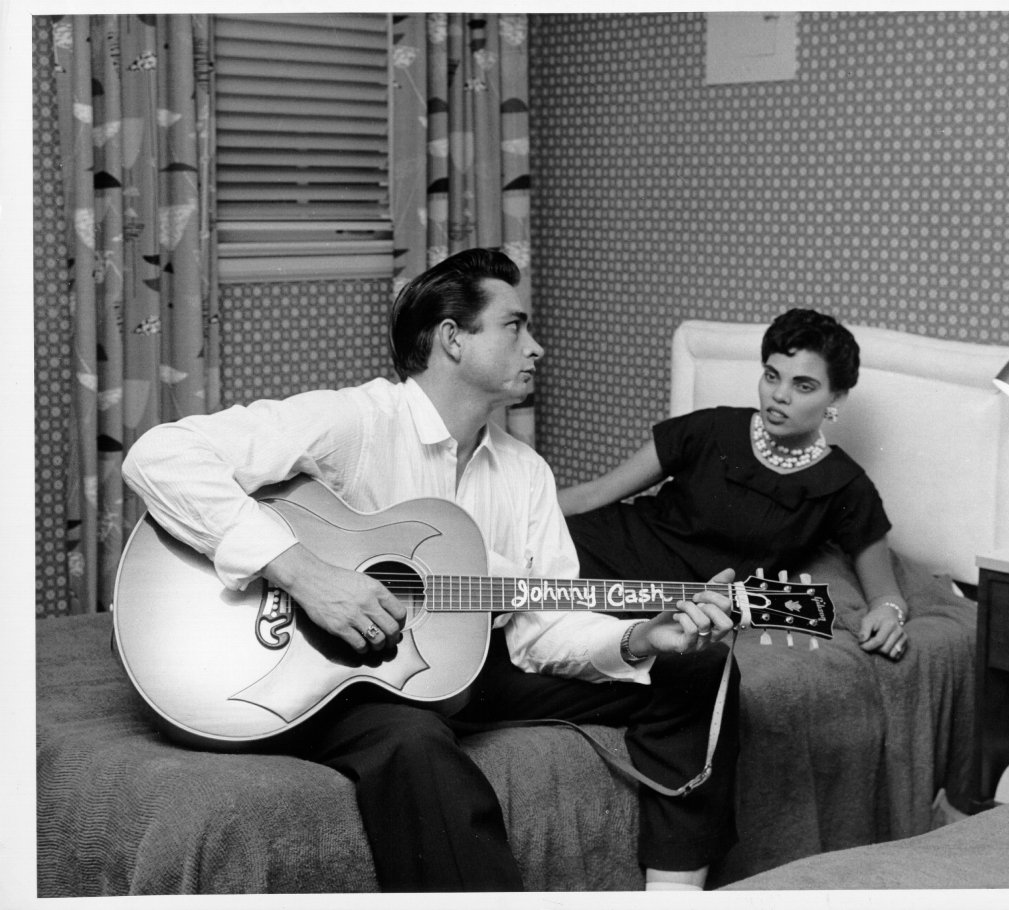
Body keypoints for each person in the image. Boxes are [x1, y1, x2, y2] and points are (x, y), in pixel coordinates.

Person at [121, 248, 740, 892]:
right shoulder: (357, 421)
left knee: (697, 666)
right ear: (452, 339)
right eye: (515, 327)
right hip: (342, 674)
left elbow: (538, 630)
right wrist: (303, 573)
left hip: (466, 665)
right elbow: (161, 456)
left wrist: (639, 638)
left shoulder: (525, 472)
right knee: (413, 739)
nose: (537, 348)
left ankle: (675, 894)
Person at [559, 307, 909, 661]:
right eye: (772, 376)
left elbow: (885, 594)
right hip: (599, 550)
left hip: (676, 604)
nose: (780, 395)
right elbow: (593, 494)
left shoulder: (844, 484)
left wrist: (888, 613)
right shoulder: (709, 428)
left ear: (836, 398)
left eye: (803, 386)